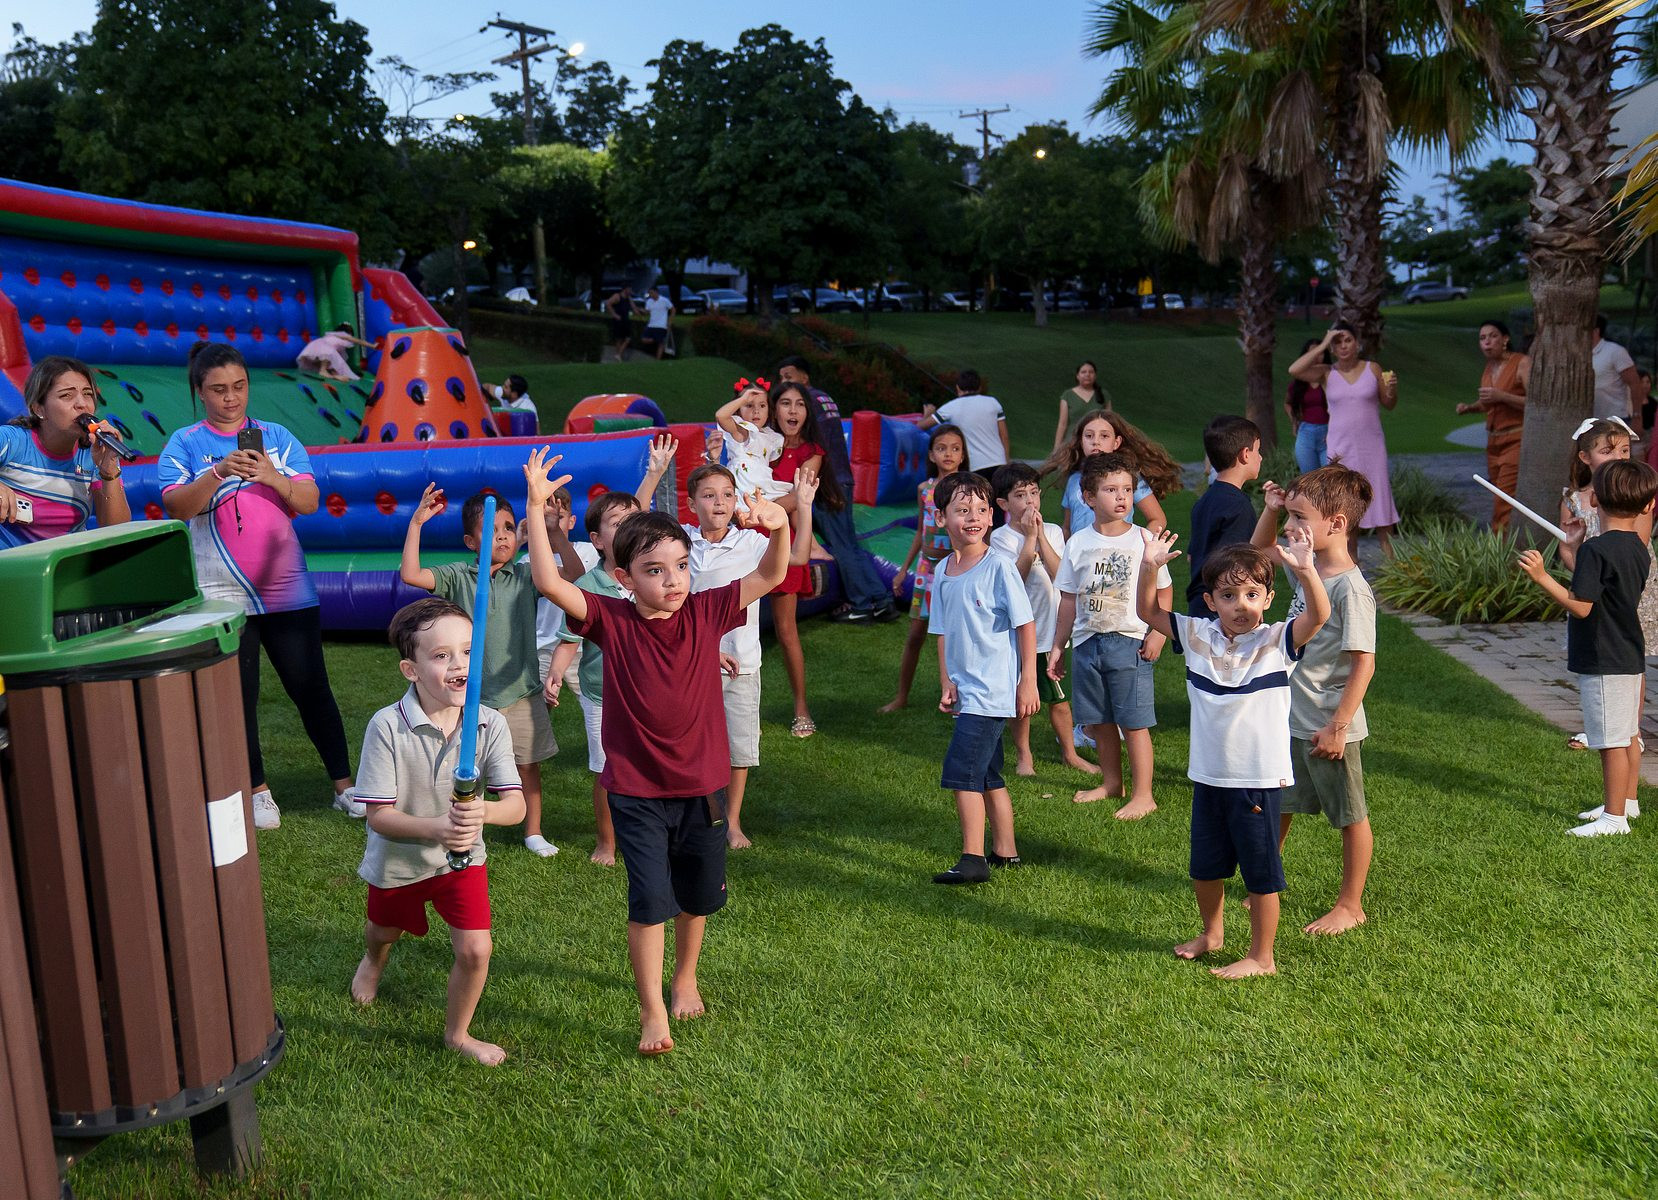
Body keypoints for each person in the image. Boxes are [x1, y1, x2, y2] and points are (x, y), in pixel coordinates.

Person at [523, 447, 791, 1056]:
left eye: (680, 566)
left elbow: (771, 576)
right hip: (637, 792)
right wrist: (537, 509)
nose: (672, 581)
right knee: (649, 901)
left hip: (702, 788)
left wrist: (779, 528)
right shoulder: (610, 619)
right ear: (624, 578)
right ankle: (651, 1010)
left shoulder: (707, 609)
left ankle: (685, 977)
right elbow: (548, 581)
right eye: (654, 570)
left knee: (698, 896)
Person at [160, 341, 355, 830]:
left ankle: (345, 787)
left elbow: (308, 500)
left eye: (239, 386)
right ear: (199, 391)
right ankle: (257, 790)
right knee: (238, 695)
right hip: (220, 593)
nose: (231, 398)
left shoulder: (277, 437)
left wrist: (272, 475)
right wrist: (218, 471)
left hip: (287, 587)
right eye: (218, 389)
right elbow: (177, 507)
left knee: (311, 687)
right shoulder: (184, 442)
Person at [1137, 536, 1330, 979]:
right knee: (1205, 868)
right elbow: (1147, 611)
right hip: (1208, 777)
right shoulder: (1196, 634)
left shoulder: (1278, 640)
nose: (1241, 605)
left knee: (1260, 873)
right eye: (1228, 595)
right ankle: (1212, 934)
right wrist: (1150, 568)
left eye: (1251, 594)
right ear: (1210, 601)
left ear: (1268, 598)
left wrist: (1306, 570)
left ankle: (1263, 957)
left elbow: (1319, 615)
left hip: (1256, 780)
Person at [347, 597, 526, 1066]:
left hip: (461, 861)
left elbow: (516, 806)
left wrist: (482, 813)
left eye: (467, 651)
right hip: (398, 861)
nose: (459, 664)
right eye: (442, 655)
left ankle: (457, 1035)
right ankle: (373, 960)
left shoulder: (489, 722)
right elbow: (378, 816)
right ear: (411, 670)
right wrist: (438, 828)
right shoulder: (387, 725)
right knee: (384, 930)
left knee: (476, 950)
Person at [1250, 465, 1378, 936]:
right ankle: (1265, 883)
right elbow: (1258, 552)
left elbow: (1364, 663)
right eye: (1289, 516)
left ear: (1337, 524)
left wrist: (1338, 726)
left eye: (1299, 517)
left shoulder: (1350, 590)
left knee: (1349, 815)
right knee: (1279, 804)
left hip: (1327, 725)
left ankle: (1350, 905)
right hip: (1291, 716)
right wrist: (1271, 510)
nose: (1290, 526)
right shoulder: (1308, 568)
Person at [401, 487, 558, 859]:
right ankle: (467, 828)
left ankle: (533, 831)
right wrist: (416, 523)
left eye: (508, 528)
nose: (502, 536)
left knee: (527, 766)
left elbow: (573, 576)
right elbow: (411, 574)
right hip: (471, 697)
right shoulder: (459, 575)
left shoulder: (526, 575)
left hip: (521, 692)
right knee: (468, 767)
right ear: (471, 541)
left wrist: (554, 534)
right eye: (491, 529)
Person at [1519, 458, 1658, 837]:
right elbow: (1602, 583)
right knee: (1627, 734)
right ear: (1648, 505)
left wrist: (1542, 577)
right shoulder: (1638, 547)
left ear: (1594, 500)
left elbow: (1582, 605)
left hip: (1603, 656)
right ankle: (1627, 802)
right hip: (1627, 652)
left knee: (1610, 741)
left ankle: (1614, 819)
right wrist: (1578, 546)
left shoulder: (1598, 551)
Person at [684, 461, 818, 849]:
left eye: (727, 495)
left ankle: (732, 821)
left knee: (738, 746)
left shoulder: (751, 542)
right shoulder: (680, 541)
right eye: (709, 495)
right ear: (691, 504)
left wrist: (802, 507)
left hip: (740, 663)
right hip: (691, 663)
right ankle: (698, 811)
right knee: (693, 743)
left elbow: (798, 556)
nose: (719, 502)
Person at [926, 470, 1038, 884]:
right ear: (941, 518)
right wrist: (946, 681)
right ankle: (1005, 852)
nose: (973, 516)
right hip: (966, 691)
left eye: (980, 508)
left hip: (991, 693)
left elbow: (1026, 625)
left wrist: (1027, 682)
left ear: (992, 515)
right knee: (988, 774)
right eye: (962, 510)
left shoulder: (1000, 567)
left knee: (962, 772)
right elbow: (941, 631)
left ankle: (972, 859)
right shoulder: (944, 570)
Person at [1048, 452, 1173, 817]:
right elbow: (1068, 599)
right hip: (1087, 644)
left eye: (1127, 489)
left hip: (1129, 642)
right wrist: (1058, 645)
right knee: (1099, 721)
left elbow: (1164, 590)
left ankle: (1144, 794)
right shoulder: (1078, 542)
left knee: (1133, 723)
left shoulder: (1144, 540)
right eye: (1111, 489)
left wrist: (1158, 633)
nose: (1122, 497)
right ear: (1088, 497)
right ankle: (1111, 783)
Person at [990, 462, 1099, 777]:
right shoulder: (1000, 539)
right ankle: (1024, 756)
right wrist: (1028, 540)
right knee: (1023, 700)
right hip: (1022, 634)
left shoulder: (1052, 531)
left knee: (1058, 699)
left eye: (1034, 493)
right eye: (1020, 495)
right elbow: (1015, 580)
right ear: (1004, 504)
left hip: (1053, 633)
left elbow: (1061, 576)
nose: (1030, 501)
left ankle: (1070, 754)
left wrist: (1040, 537)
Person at [1557, 417, 1658, 754]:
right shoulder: (1573, 499)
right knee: (1600, 659)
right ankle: (1603, 726)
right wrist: (1582, 562)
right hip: (1593, 584)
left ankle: (1631, 729)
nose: (1618, 457)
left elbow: (1635, 547)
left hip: (1628, 588)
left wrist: (1596, 562)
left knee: (1629, 659)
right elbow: (1568, 550)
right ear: (1585, 457)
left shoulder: (1633, 496)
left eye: (1625, 451)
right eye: (1608, 451)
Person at [774, 355, 896, 623]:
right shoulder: (824, 398)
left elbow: (808, 441)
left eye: (788, 376)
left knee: (842, 546)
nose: (784, 382)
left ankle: (862, 603)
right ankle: (880, 600)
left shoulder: (807, 401)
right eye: (782, 378)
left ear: (804, 377)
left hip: (826, 481)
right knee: (848, 544)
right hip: (840, 477)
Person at [556, 490, 643, 865]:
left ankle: (648, 832)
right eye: (618, 523)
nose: (628, 529)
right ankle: (606, 841)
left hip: (649, 694)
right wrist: (555, 673)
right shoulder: (589, 586)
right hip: (602, 695)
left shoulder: (651, 574)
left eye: (634, 520)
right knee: (608, 770)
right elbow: (569, 639)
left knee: (648, 766)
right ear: (597, 540)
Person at [1290, 322, 1400, 557]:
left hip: (1372, 447)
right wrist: (1324, 342)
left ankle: (1393, 567)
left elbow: (1389, 403)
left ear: (1357, 343)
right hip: (1341, 449)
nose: (1343, 345)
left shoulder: (1373, 368)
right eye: (1337, 342)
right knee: (1345, 508)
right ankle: (1351, 566)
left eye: (1348, 340)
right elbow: (1294, 370)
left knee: (1381, 504)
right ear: (1332, 347)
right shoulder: (1326, 373)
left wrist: (1392, 390)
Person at [765, 380, 837, 737]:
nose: (793, 410)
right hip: (746, 539)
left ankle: (801, 708)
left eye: (799, 404)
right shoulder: (760, 443)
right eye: (785, 403)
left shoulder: (812, 452)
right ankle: (730, 707)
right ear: (774, 409)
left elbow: (798, 498)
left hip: (780, 541)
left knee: (786, 630)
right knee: (731, 629)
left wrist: (752, 510)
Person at [880, 424, 968, 713]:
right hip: (926, 570)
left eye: (955, 448)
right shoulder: (925, 490)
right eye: (941, 448)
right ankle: (901, 696)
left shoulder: (969, 490)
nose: (948, 454)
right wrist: (903, 569)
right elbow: (921, 530)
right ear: (931, 454)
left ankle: (959, 698)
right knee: (915, 634)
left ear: (963, 454)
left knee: (957, 637)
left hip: (957, 569)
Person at [0, 355, 131, 548]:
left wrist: (109, 469)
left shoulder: (94, 453)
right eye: (66, 396)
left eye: (87, 394)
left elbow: (117, 533)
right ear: (39, 409)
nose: (82, 404)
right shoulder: (11, 440)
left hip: (66, 561)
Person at [1040, 410, 1173, 538]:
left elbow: (1158, 519)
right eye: (1089, 436)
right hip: (1081, 552)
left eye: (1104, 436)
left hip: (1116, 552)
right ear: (1081, 441)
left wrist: (1139, 546)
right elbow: (1067, 528)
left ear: (1116, 442)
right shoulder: (1074, 480)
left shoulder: (1128, 476)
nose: (1095, 441)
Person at [1186, 415, 1262, 619]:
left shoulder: (1204, 501)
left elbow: (1191, 556)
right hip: (1223, 609)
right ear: (1245, 455)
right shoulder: (1238, 506)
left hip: (1199, 603)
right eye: (1258, 450)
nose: (1261, 457)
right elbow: (1236, 564)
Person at [1457, 320, 1530, 531]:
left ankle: (1499, 546)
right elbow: (1489, 402)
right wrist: (1469, 408)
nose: (1487, 342)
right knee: (1498, 494)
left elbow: (1535, 403)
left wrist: (1502, 396)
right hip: (1493, 442)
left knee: (1503, 500)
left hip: (1516, 439)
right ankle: (1508, 541)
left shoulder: (1522, 362)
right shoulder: (1489, 368)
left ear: (1505, 339)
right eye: (1482, 338)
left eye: (1493, 336)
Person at [919, 369, 1008, 484]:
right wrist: (1006, 462)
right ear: (979, 387)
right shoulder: (993, 403)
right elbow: (1004, 436)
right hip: (999, 462)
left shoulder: (951, 407)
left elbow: (920, 426)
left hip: (974, 466)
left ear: (958, 387)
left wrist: (927, 414)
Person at [713, 379, 791, 503]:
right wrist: (743, 399)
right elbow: (720, 416)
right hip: (744, 490)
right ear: (738, 410)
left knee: (797, 497)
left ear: (769, 409)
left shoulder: (771, 436)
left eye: (762, 405)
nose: (756, 411)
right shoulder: (742, 431)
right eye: (749, 405)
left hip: (763, 488)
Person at [1284, 338, 1331, 474]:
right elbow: (1288, 403)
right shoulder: (1298, 383)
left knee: (1330, 476)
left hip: (1328, 431)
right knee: (1310, 478)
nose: (1316, 356)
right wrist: (1294, 420)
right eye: (1312, 353)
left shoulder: (1331, 377)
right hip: (1306, 431)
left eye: (1320, 352)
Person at [1592, 314, 1642, 423]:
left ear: (1596, 331)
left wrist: (1637, 416)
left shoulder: (1615, 352)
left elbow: (1635, 383)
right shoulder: (1580, 355)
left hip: (1616, 419)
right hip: (1591, 420)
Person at [1052, 360, 1110, 452]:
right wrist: (1056, 448)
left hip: (1096, 442)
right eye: (1083, 372)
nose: (1087, 374)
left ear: (1095, 375)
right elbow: (1062, 424)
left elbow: (1109, 421)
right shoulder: (1068, 395)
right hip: (1073, 441)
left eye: (1091, 372)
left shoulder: (1103, 395)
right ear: (1077, 376)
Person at [296, 323, 376, 381]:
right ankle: (323, 370)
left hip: (315, 350)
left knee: (334, 358)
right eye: (350, 334)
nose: (350, 337)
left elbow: (335, 361)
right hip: (321, 348)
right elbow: (358, 341)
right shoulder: (342, 335)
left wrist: (337, 374)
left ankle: (330, 373)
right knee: (329, 352)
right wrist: (372, 345)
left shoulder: (335, 340)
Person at [638, 285, 675, 359]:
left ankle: (658, 359)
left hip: (661, 325)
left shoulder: (664, 300)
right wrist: (641, 311)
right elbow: (647, 311)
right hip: (651, 324)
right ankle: (655, 340)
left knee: (660, 344)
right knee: (644, 339)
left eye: (652, 293)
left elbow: (673, 310)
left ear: (656, 292)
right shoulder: (649, 301)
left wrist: (670, 321)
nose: (651, 295)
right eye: (649, 293)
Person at [604, 285, 636, 360]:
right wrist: (614, 315)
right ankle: (619, 356)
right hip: (618, 320)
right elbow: (608, 304)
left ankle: (619, 355)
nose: (630, 291)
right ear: (625, 289)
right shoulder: (617, 296)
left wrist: (641, 311)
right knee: (619, 339)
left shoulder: (629, 298)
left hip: (626, 320)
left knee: (628, 338)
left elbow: (634, 307)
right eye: (629, 289)